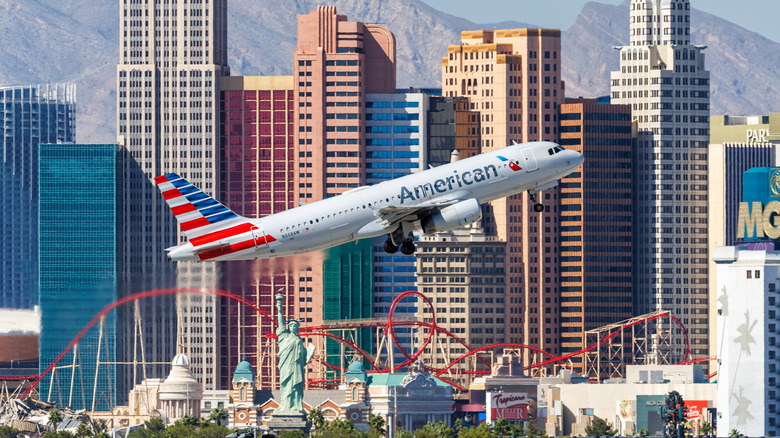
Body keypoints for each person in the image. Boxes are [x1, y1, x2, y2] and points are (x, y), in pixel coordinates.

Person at [275, 292, 315, 413]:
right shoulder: (284, 336)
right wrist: (279, 304)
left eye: (295, 326)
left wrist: (309, 354)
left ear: (297, 328)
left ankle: (296, 406)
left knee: (296, 385)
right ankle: (285, 405)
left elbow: (303, 357)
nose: (292, 327)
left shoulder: (299, 340)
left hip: (296, 366)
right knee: (286, 385)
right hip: (286, 365)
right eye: (291, 325)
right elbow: (281, 322)